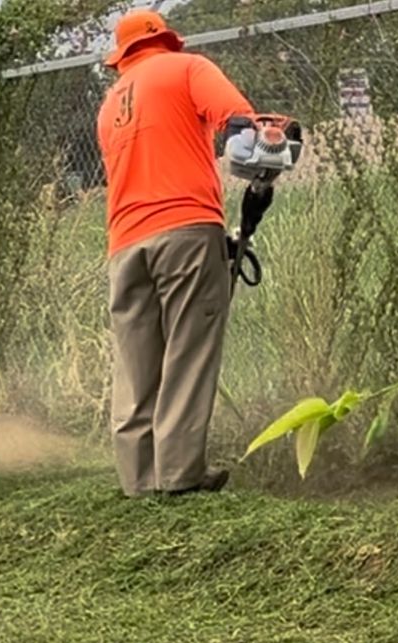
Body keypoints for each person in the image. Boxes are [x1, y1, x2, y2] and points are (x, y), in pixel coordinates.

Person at [97, 9, 255, 497]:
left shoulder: (109, 106)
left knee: (136, 363)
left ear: (122, 55)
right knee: (189, 350)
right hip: (185, 229)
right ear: (167, 40)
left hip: (124, 244)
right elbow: (241, 124)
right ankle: (181, 477)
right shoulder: (189, 69)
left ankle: (138, 481)